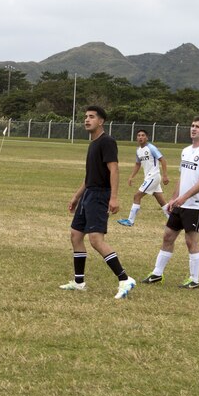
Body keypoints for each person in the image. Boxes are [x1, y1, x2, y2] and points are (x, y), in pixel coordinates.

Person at [60, 105, 136, 299]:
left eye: (91, 117)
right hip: (88, 195)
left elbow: (114, 169)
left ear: (101, 121)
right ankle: (79, 282)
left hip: (100, 195)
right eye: (86, 117)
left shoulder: (107, 142)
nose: (87, 120)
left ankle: (124, 278)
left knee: (95, 240)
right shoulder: (93, 143)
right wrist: (76, 197)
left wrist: (114, 197)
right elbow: (89, 176)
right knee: (76, 236)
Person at [142, 117, 199, 289]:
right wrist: (174, 199)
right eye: (192, 126)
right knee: (167, 236)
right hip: (181, 204)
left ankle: (194, 279)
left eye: (198, 127)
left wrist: (184, 198)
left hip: (196, 205)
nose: (193, 129)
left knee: (191, 242)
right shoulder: (186, 151)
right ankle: (157, 274)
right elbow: (182, 177)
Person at [117, 129, 170, 226]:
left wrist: (165, 175)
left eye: (143, 135)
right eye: (139, 135)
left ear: (147, 137)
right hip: (149, 177)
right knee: (161, 201)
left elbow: (163, 160)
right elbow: (138, 164)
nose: (140, 137)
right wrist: (131, 177)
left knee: (137, 196)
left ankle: (130, 221)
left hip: (153, 176)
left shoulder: (151, 148)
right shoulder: (138, 150)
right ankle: (173, 221)